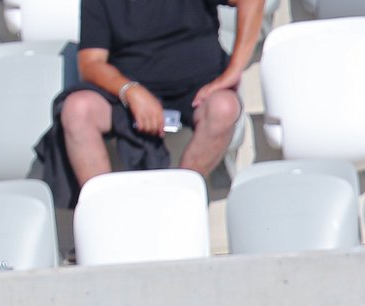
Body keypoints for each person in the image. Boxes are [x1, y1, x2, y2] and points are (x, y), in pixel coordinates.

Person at [35, 0, 263, 206]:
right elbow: (90, 63)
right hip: (126, 90)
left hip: (198, 88)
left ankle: (178, 202)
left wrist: (234, 70)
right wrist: (131, 91)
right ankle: (104, 214)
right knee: (77, 109)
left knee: (224, 107)